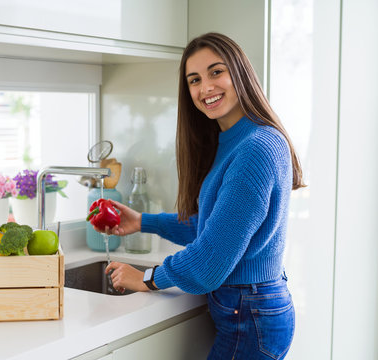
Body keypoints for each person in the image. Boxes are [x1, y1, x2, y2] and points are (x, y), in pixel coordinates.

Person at [96, 33, 304, 359]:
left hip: (249, 316)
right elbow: (214, 226)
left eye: (216, 72)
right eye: (194, 80)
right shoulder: (236, 140)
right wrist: (143, 222)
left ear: (240, 73)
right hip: (247, 310)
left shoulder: (255, 147)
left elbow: (211, 259)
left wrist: (147, 278)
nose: (205, 87)